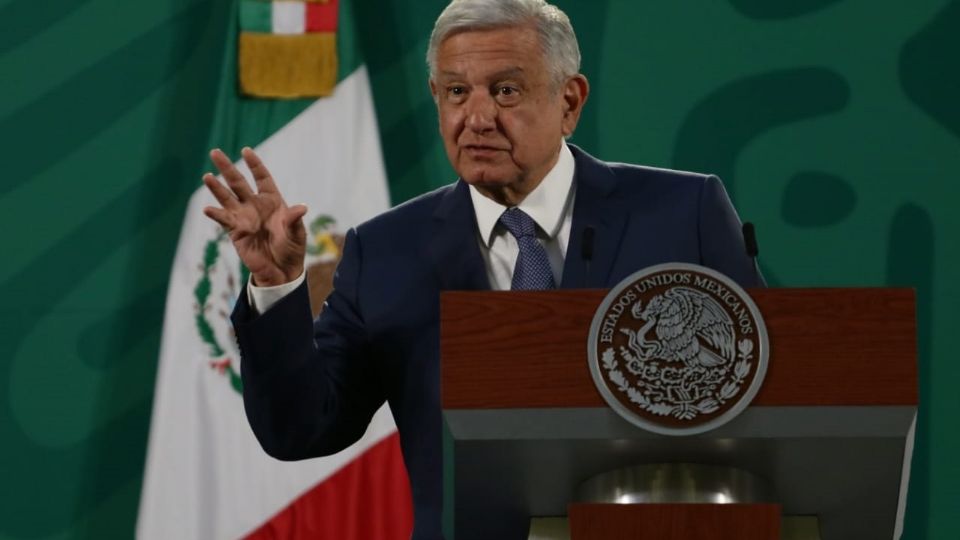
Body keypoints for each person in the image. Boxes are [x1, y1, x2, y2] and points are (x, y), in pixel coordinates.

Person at [202, 1, 763, 537]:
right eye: (455, 92)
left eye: (506, 90)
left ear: (569, 101)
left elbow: (767, 401)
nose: (476, 117)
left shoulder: (683, 214)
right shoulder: (385, 251)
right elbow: (301, 429)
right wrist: (277, 287)